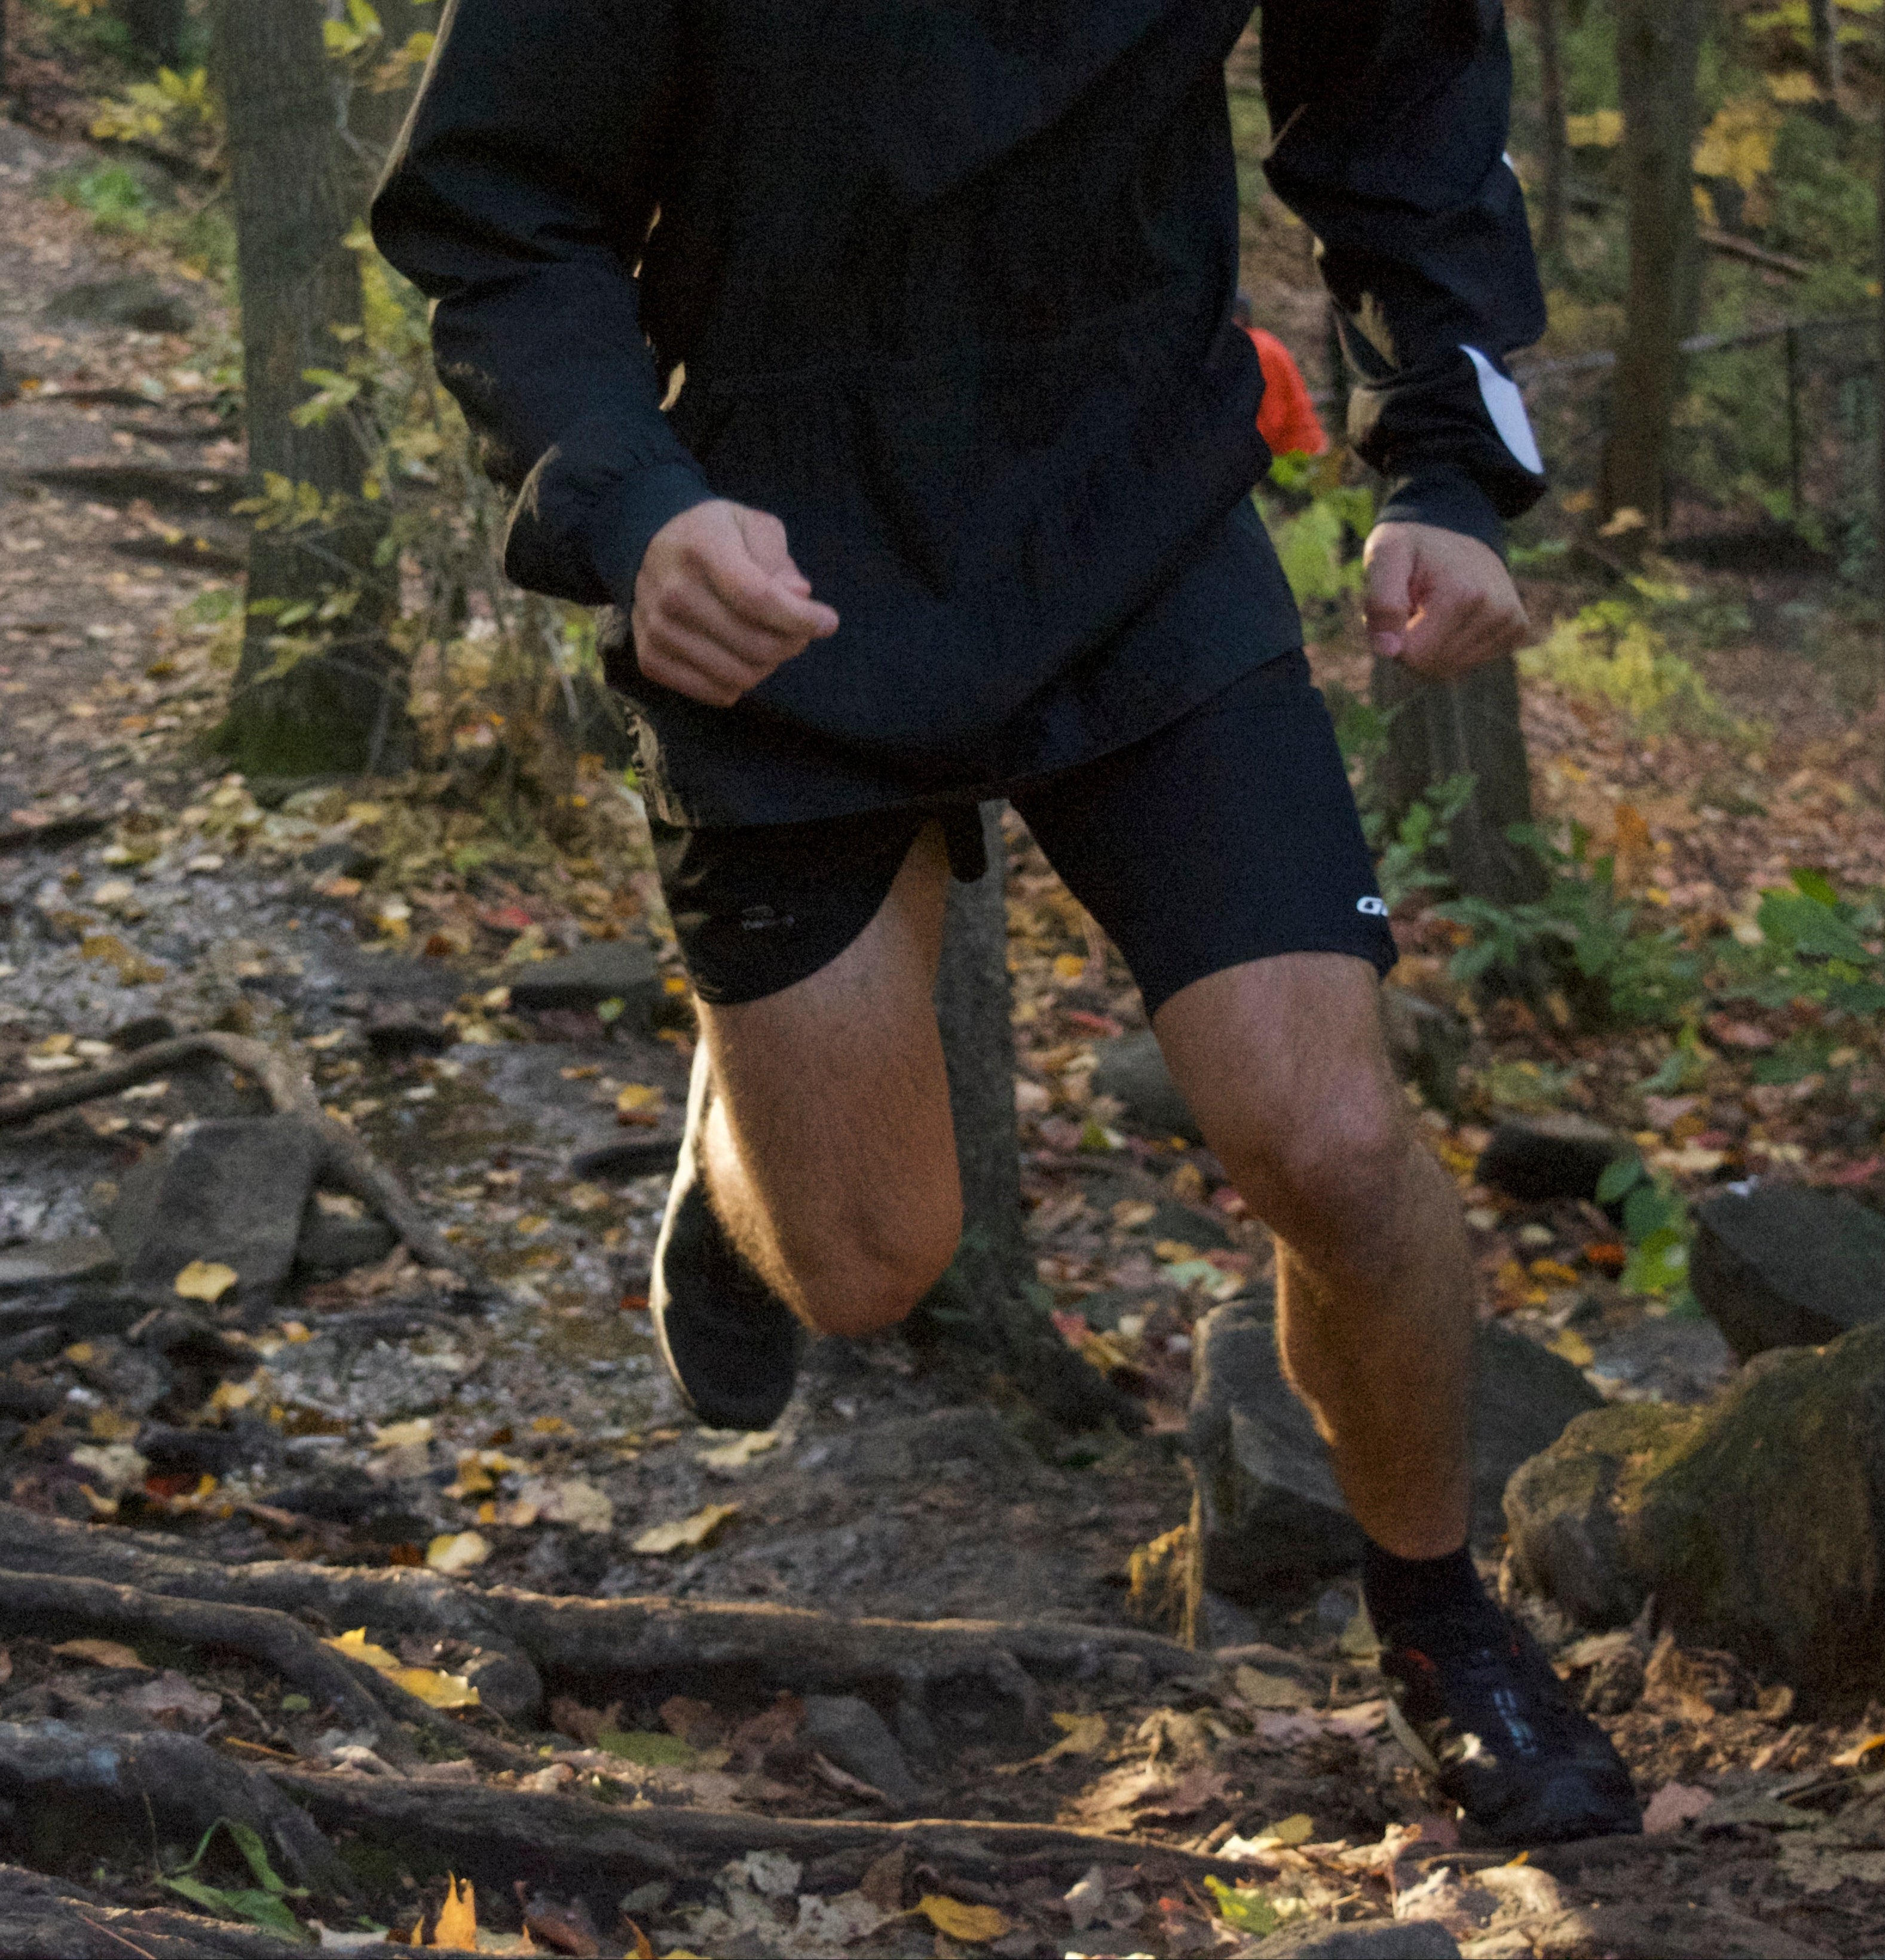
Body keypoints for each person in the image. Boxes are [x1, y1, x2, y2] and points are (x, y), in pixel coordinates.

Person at [373, 0, 1627, 1845]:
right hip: (768, 553)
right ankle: (736, 1127)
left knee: (1336, 1143)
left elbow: (1402, 95)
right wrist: (633, 508)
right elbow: (494, 208)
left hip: (1136, 515)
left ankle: (1438, 1625)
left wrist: (1441, 471)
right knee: (868, 1263)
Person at [1235, 293, 1328, 463]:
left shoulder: (1257, 351)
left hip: (1297, 458)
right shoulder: (1255, 344)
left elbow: (1273, 420)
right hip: (1287, 456)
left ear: (1237, 321)